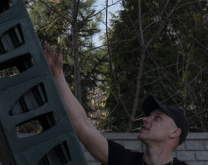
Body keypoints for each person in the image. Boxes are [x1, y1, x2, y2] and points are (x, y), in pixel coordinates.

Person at [43, 43, 190, 165]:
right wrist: (58, 74)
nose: (145, 119)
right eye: (148, 116)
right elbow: (81, 125)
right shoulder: (123, 160)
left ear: (175, 132)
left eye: (157, 118)